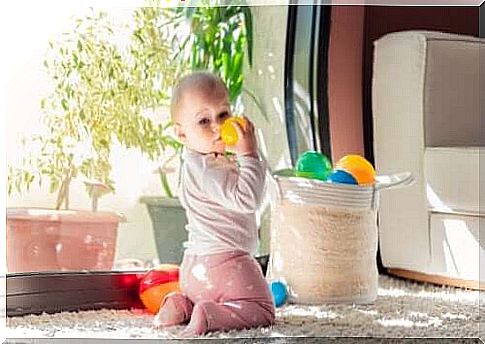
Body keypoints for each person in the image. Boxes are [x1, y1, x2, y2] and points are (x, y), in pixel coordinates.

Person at [153, 71, 275, 336]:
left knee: (207, 295)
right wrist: (249, 154)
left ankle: (182, 304)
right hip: (227, 264)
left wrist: (243, 158)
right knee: (262, 309)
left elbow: (259, 196)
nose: (218, 126)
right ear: (181, 134)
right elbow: (248, 200)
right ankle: (209, 316)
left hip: (194, 272)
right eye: (203, 120)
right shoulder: (210, 169)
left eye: (223, 114)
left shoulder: (197, 164)